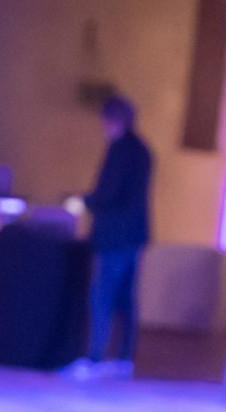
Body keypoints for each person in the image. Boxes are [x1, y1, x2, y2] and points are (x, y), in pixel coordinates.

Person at [67, 95, 152, 379]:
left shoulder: (119, 151)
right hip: (134, 237)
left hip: (115, 238)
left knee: (102, 297)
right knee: (126, 300)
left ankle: (93, 359)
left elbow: (108, 194)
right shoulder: (143, 150)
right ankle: (124, 359)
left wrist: (82, 203)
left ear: (114, 121)